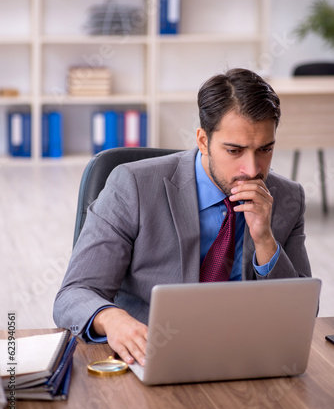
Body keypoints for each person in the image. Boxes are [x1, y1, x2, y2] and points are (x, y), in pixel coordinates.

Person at [53, 68, 311, 367]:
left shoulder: (287, 198)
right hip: (152, 356)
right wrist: (113, 320)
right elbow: (73, 295)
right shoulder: (134, 185)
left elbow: (303, 313)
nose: (252, 169)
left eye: (264, 149)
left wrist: (265, 240)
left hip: (244, 358)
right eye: (234, 150)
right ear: (203, 141)